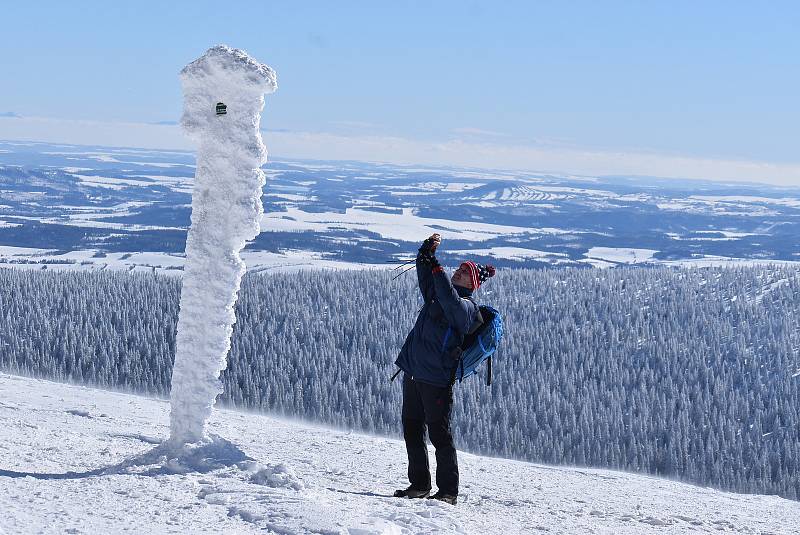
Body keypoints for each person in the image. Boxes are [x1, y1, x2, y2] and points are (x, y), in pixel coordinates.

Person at [393, 233, 496, 505]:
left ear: (472, 284)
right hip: (414, 373)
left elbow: (451, 300)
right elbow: (427, 279)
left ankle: (448, 491)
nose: (459, 271)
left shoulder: (467, 309)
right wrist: (425, 254)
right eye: (459, 268)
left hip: (437, 380)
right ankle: (419, 485)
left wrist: (437, 268)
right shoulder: (437, 296)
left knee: (439, 434)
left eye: (465, 272)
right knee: (412, 430)